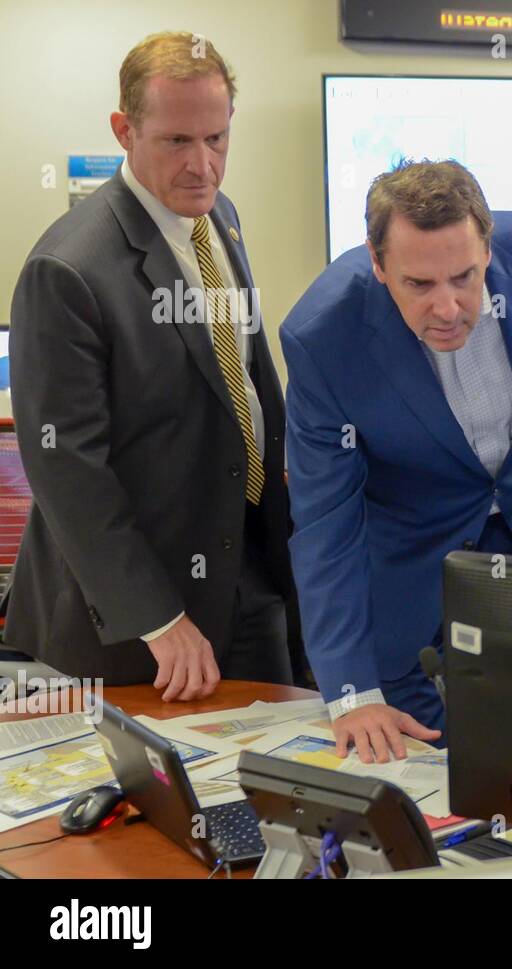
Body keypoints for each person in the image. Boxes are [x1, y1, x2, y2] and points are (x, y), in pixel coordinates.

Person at [7, 31, 295, 697]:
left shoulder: (220, 218)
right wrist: (158, 617)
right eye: (177, 142)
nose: (203, 165)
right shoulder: (69, 269)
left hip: (246, 571)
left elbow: (244, 380)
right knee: (152, 798)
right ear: (124, 130)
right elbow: (65, 466)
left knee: (268, 782)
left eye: (217, 138)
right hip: (136, 615)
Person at [281, 160, 512, 762]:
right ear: (377, 262)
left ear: (487, 248)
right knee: (401, 737)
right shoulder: (324, 338)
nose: (447, 307)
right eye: (419, 285)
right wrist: (350, 693)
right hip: (411, 545)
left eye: (464, 277)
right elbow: (323, 521)